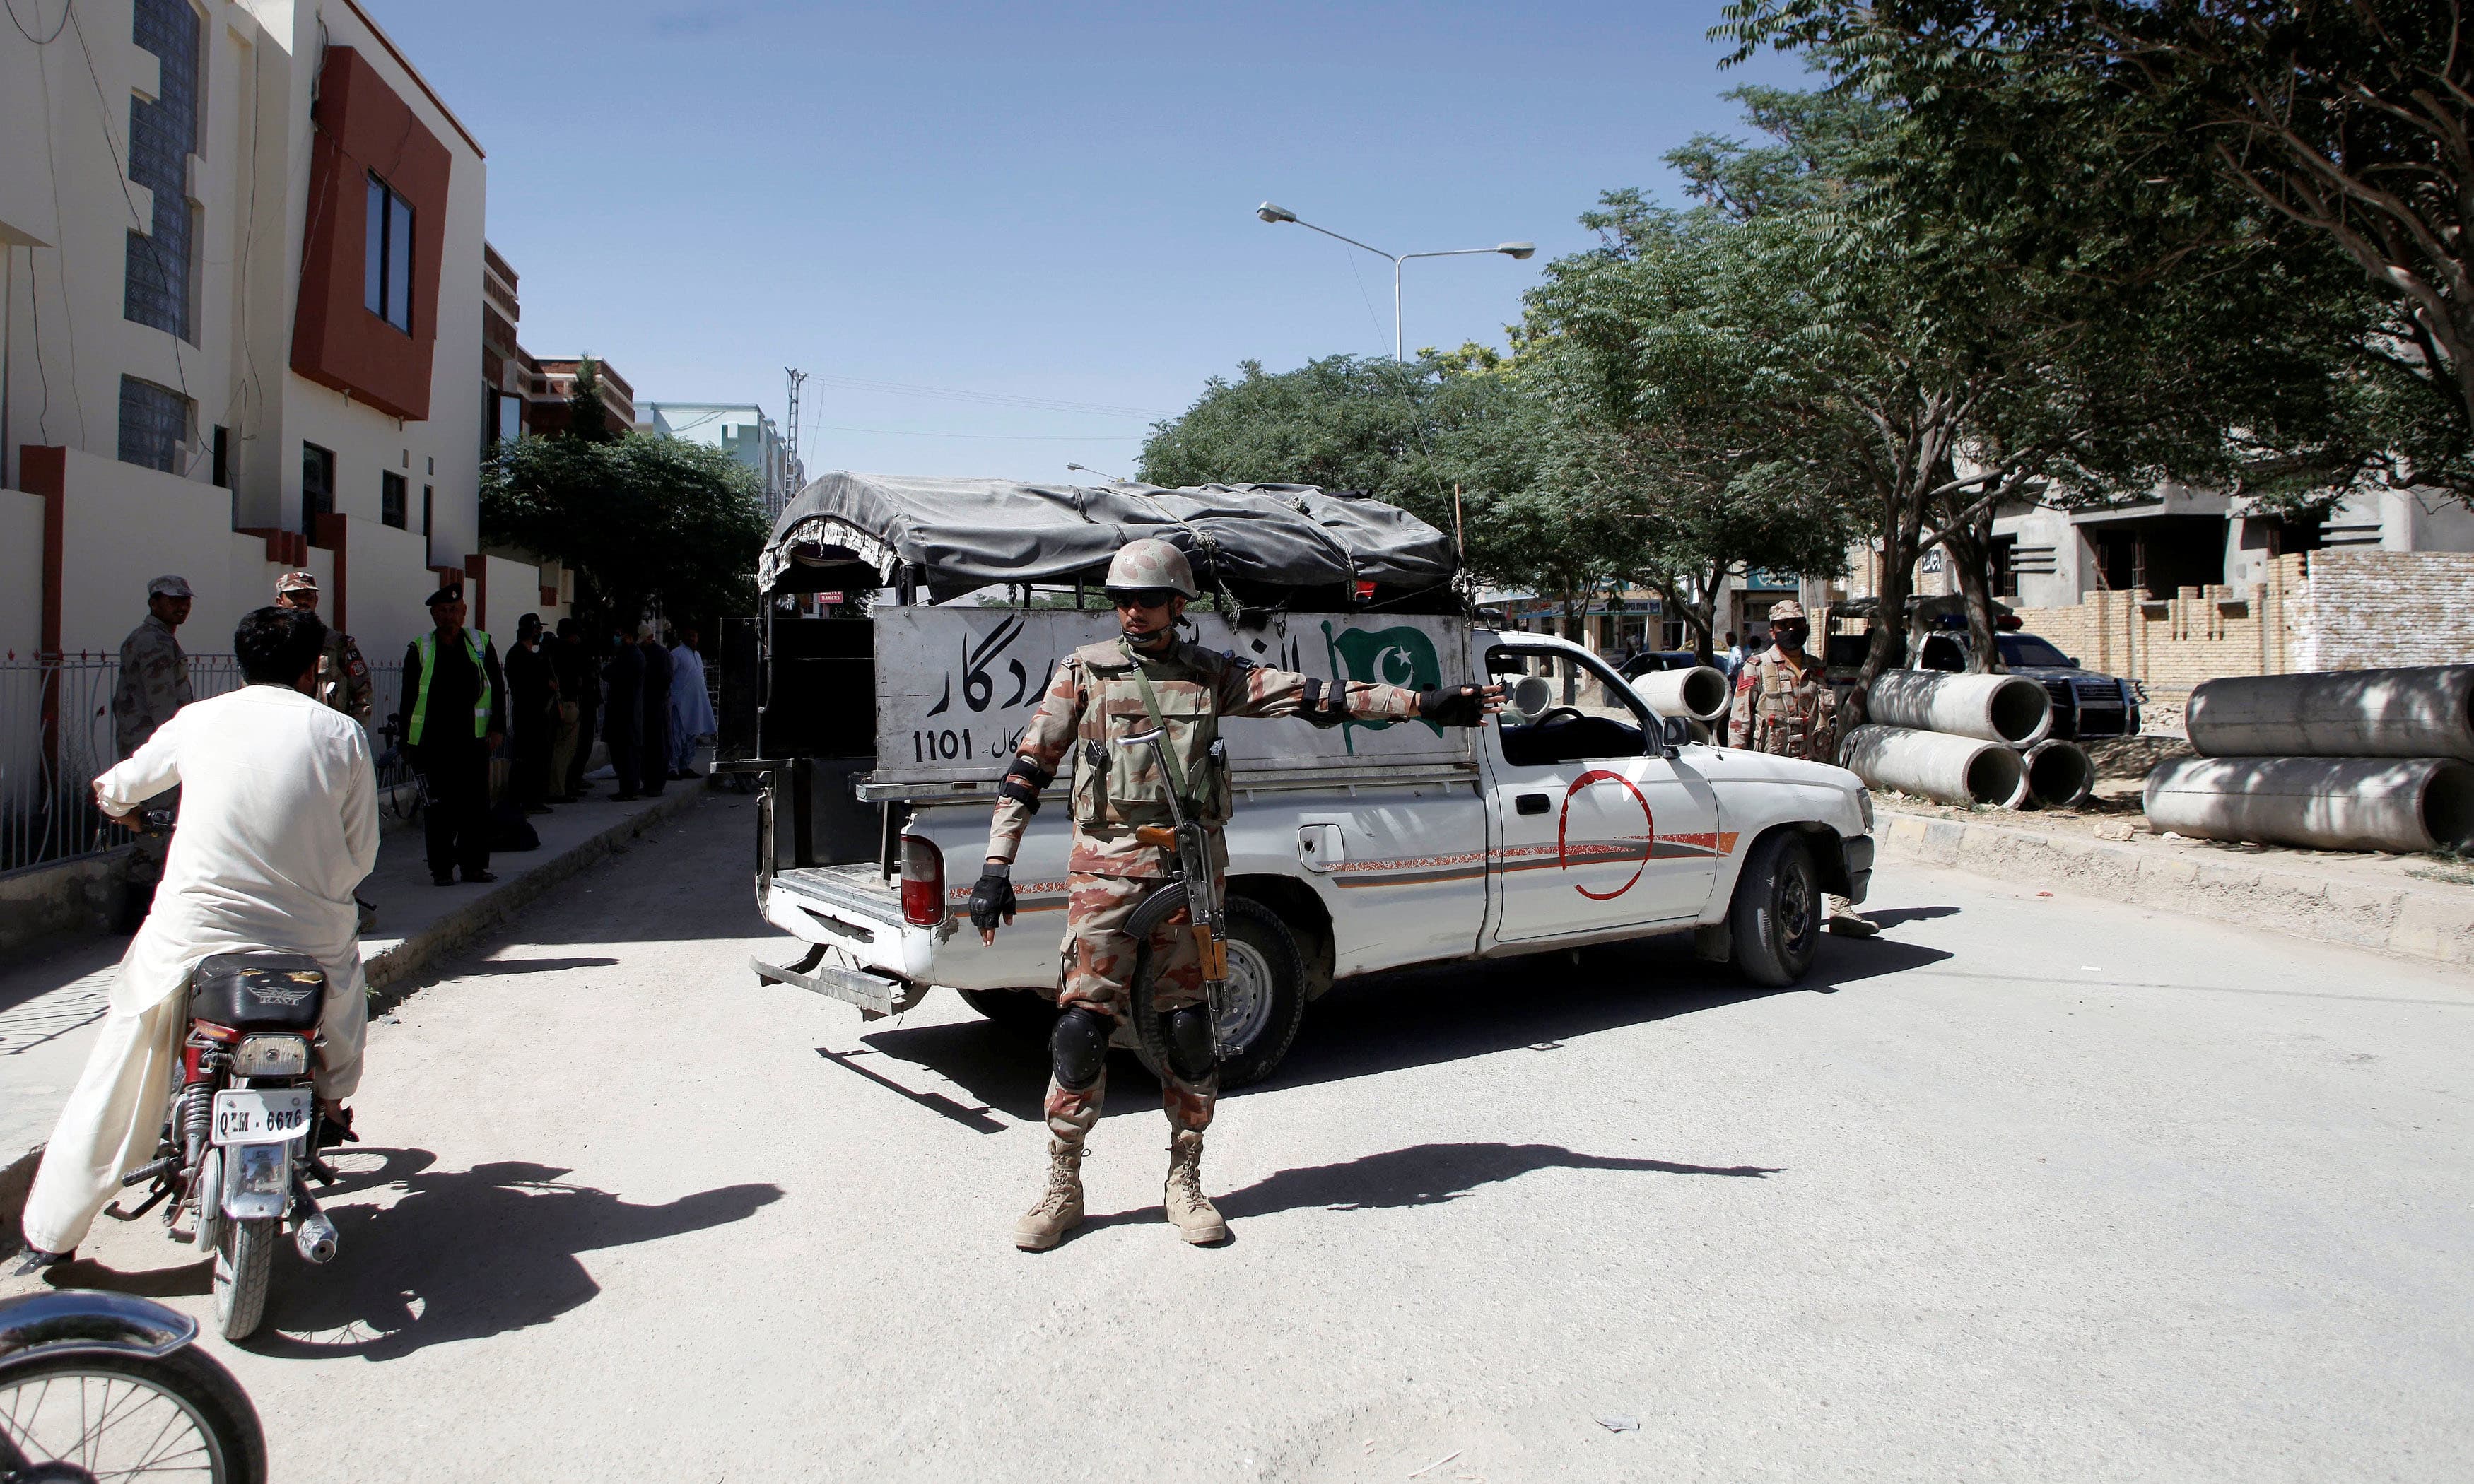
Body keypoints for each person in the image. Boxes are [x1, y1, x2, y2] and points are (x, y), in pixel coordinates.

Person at [969, 538, 1501, 1252]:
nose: (1133, 611)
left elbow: (1318, 698)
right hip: (1103, 877)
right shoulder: (1082, 675)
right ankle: (1062, 1185)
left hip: (1187, 875)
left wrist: (1429, 703)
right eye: (1123, 599)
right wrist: (995, 866)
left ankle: (1185, 1182)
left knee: (1189, 1032)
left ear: (1177, 604)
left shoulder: (1208, 675)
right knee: (1079, 1033)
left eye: (1148, 598)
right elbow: (1027, 769)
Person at [14, 606, 377, 1274]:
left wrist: (118, 804)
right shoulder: (343, 734)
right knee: (345, 992)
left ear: (242, 663)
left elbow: (118, 786)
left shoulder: (200, 720)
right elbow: (363, 856)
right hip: (308, 932)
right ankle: (331, 1096)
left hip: (195, 934)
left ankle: (52, 1233)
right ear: (311, 668)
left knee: (121, 1060)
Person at [1725, 599, 1878, 938]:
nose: (1793, 630)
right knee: (1777, 845)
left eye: (1798, 623)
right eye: (1785, 625)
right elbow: (1740, 723)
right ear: (1772, 631)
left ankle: (1841, 909)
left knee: (1833, 832)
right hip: (1771, 772)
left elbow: (1828, 722)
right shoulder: (1756, 667)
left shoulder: (1817, 669)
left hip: (1814, 769)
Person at [397, 584, 508, 885]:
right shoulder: (419, 648)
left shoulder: (480, 643)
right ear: (434, 615)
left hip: (473, 740)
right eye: (443, 612)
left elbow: (497, 688)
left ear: (464, 612)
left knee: (475, 807)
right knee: (438, 808)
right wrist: (406, 743)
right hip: (434, 742)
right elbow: (408, 699)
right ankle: (442, 869)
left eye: (454, 611)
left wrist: (498, 728)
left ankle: (474, 867)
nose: (449, 617)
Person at [111, 575, 196, 926]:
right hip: (156, 747)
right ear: (154, 603)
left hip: (152, 746)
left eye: (186, 600)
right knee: (157, 827)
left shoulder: (156, 639)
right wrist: (183, 744)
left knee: (161, 824)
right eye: (173, 600)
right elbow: (164, 706)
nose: (182, 606)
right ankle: (137, 913)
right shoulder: (154, 643)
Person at [271, 570, 373, 724]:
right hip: (282, 731)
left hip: (325, 734)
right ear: (280, 602)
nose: (302, 602)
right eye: (295, 596)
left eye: (308, 596)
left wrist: (350, 733)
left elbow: (363, 694)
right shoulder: (269, 644)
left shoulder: (338, 644)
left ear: (316, 601)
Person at [505, 613, 557, 814]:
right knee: (527, 758)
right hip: (528, 713)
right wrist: (547, 685)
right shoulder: (519, 655)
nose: (540, 634)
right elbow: (529, 684)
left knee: (535, 757)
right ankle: (526, 800)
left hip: (534, 713)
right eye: (538, 630)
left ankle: (530, 799)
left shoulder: (528, 655)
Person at [668, 625, 716, 778]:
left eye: (694, 636)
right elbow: (669, 675)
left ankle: (685, 766)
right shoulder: (677, 654)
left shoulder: (697, 655)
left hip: (695, 704)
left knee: (691, 737)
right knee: (676, 737)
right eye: (689, 635)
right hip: (680, 703)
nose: (692, 638)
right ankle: (672, 768)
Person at [603, 626, 645, 801]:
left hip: (625, 713)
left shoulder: (630, 656)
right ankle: (629, 789)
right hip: (626, 712)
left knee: (625, 754)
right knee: (625, 754)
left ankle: (628, 790)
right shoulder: (632, 655)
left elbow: (608, 673)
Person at [548, 618, 585, 801]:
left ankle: (561, 786)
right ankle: (557, 789)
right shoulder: (568, 651)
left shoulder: (553, 649)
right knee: (564, 750)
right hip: (567, 703)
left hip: (561, 703)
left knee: (561, 749)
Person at [638, 624, 673, 798]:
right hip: (647, 706)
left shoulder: (660, 654)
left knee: (657, 746)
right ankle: (649, 783)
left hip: (657, 706)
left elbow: (665, 679)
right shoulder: (644, 653)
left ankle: (656, 784)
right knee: (648, 747)